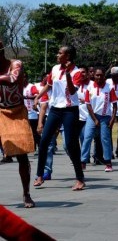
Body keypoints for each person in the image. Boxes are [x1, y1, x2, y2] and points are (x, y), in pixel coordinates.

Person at [33, 45, 85, 191]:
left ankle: (80, 178)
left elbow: (73, 90)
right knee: (44, 141)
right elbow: (48, 85)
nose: (57, 55)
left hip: (69, 110)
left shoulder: (77, 72)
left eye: (60, 53)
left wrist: (68, 73)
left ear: (67, 56)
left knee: (70, 144)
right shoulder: (55, 68)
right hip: (55, 109)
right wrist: (37, 96)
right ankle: (39, 175)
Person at [0, 39, 36, 208]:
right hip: (0, 112)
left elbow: (12, 79)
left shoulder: (16, 64)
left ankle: (26, 193)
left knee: (22, 155)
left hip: (17, 112)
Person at [81, 67, 117, 172]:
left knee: (105, 139)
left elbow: (115, 105)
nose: (99, 77)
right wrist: (94, 119)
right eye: (97, 75)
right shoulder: (90, 87)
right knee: (87, 137)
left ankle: (108, 162)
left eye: (101, 75)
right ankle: (83, 162)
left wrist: (112, 119)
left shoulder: (109, 88)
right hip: (93, 116)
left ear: (104, 77)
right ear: (94, 76)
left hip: (105, 117)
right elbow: (88, 105)